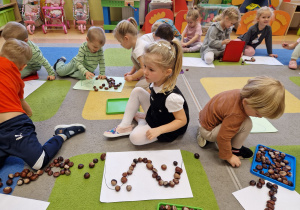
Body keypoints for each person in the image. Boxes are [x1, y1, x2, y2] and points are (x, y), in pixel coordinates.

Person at [0, 39, 86, 170]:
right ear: (23, 66)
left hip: (14, 126)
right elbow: (24, 104)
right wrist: (29, 114)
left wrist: (26, 117)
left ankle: (62, 134)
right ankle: (9, 148)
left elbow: (21, 102)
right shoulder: (18, 77)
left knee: (39, 162)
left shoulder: (16, 79)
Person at [103, 40, 189, 145]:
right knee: (137, 91)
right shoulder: (156, 81)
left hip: (166, 126)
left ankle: (142, 121)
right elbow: (151, 95)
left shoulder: (172, 98)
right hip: (158, 113)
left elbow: (182, 121)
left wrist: (159, 130)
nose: (145, 72)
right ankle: (125, 126)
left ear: (167, 72)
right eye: (145, 66)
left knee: (135, 138)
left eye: (151, 69)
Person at [197, 76, 285, 168]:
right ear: (245, 103)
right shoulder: (236, 114)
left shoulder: (241, 94)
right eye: (257, 114)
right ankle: (234, 150)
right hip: (208, 131)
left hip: (204, 120)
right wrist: (229, 156)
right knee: (247, 123)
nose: (260, 117)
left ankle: (209, 136)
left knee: (240, 122)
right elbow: (222, 137)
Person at [114, 17, 148, 89]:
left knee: (138, 86)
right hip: (149, 67)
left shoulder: (138, 50)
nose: (120, 45)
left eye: (120, 42)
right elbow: (138, 62)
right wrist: (132, 72)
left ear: (126, 38)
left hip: (157, 73)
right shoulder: (137, 43)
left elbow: (144, 68)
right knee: (133, 56)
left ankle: (154, 84)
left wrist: (132, 77)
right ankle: (142, 76)